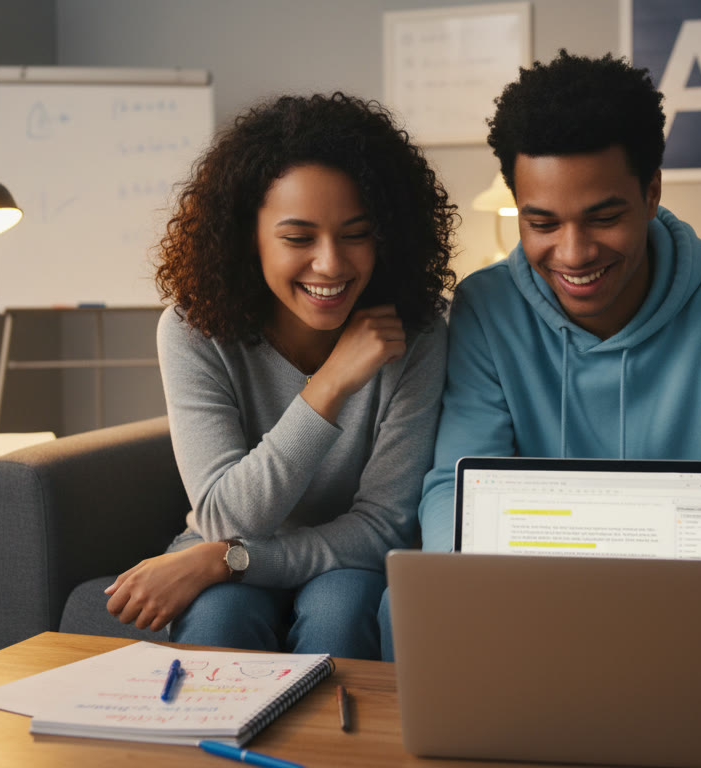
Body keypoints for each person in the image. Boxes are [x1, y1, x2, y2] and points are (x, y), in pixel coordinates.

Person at [380, 51, 701, 697]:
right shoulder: (485, 307)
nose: (574, 253)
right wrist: (470, 584)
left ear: (652, 191)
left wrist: (689, 590)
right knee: (402, 610)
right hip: (534, 584)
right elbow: (456, 485)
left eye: (604, 217)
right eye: (542, 223)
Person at [104, 92, 457, 660]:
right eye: (298, 239)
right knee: (218, 616)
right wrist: (330, 384)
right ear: (249, 237)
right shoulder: (194, 330)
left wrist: (225, 558)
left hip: (344, 560)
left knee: (341, 612)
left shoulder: (418, 334)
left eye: (356, 234)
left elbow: (382, 528)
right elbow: (224, 515)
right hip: (224, 541)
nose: (331, 264)